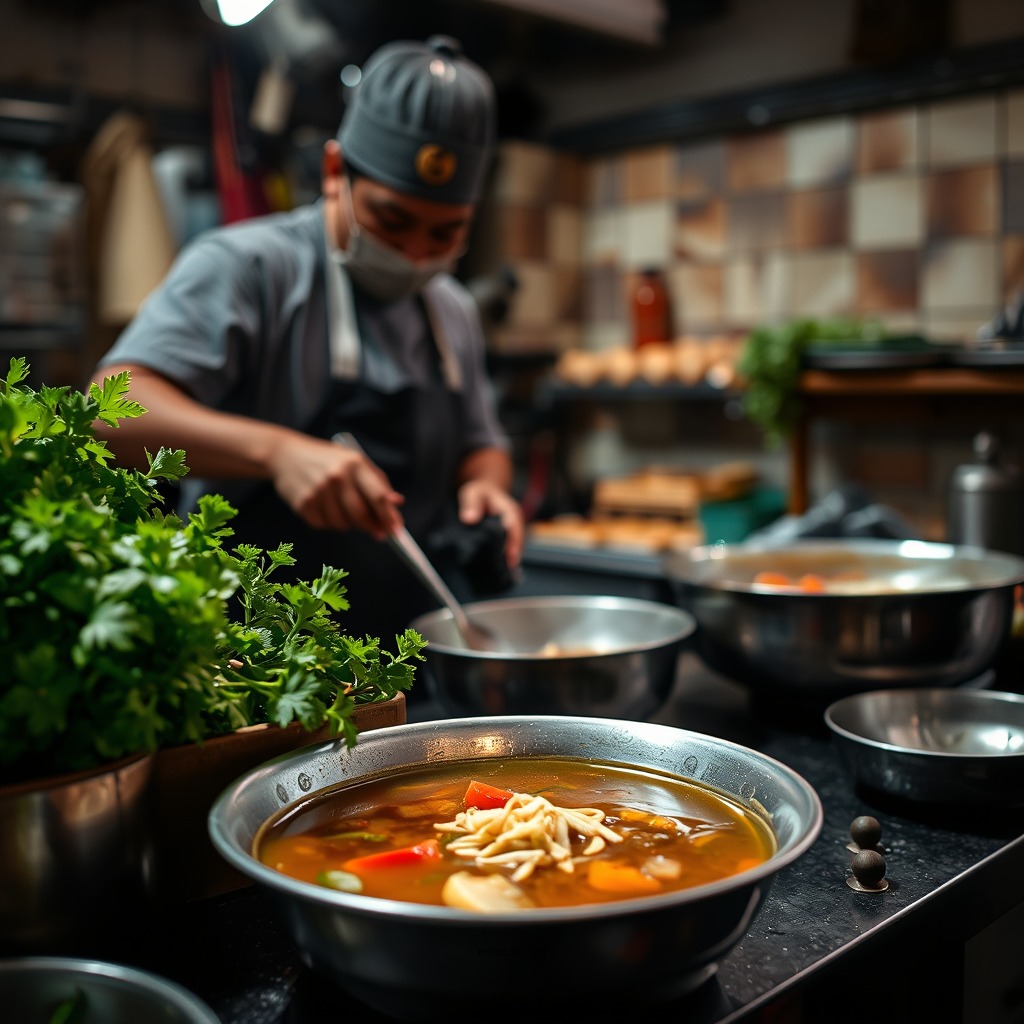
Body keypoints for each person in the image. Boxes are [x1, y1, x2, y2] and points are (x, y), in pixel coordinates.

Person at [91, 35, 523, 645]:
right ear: (333, 171)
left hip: (405, 647)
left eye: (445, 234)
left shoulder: (453, 308)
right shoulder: (247, 268)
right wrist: (277, 453)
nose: (415, 253)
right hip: (253, 654)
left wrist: (487, 488)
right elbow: (111, 409)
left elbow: (483, 441)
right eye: (392, 220)